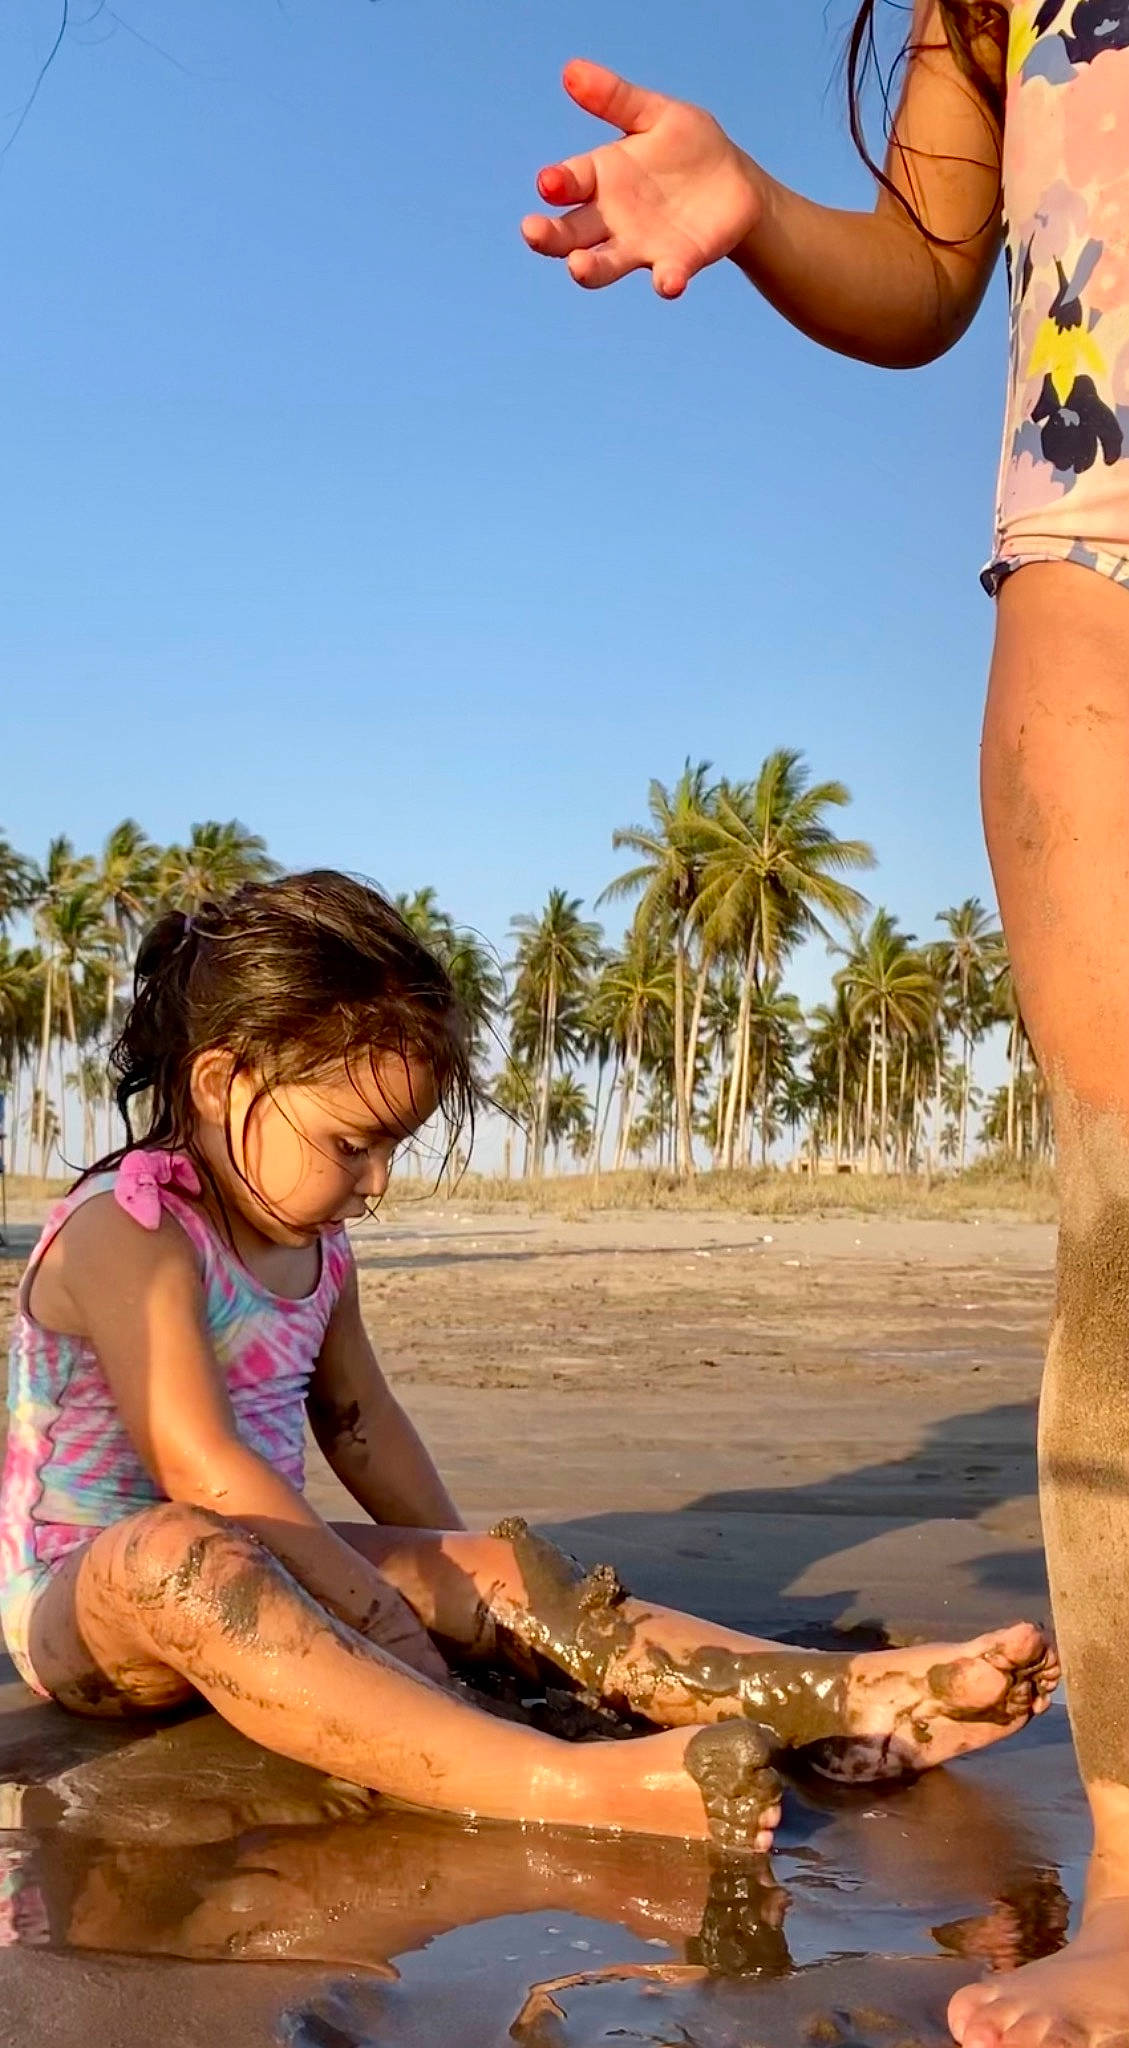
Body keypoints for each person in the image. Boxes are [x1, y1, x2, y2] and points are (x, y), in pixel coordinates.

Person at [521, 3, 1129, 2039]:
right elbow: (928, 269)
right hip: (1097, 558)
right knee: (1126, 1222)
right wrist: (763, 214)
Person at [0, 870, 1054, 1853]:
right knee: (183, 1553)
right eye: (351, 1142)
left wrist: (460, 1586)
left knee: (498, 1568)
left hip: (277, 1561)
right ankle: (555, 1782)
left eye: (394, 1148)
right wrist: (374, 1612)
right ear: (225, 1081)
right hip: (93, 1605)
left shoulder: (317, 1248)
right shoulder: (129, 1231)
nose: (375, 1182)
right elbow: (200, 1469)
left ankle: (837, 1697)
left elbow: (361, 1420)